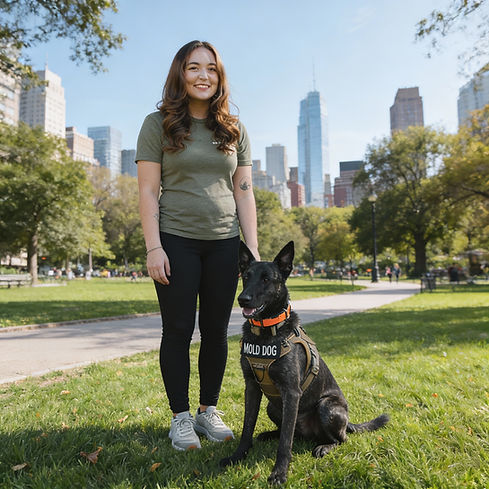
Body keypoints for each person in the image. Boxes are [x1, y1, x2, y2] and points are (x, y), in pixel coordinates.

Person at [136, 40, 259, 452]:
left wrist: (254, 253)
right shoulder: (158, 124)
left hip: (225, 243)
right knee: (177, 330)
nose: (203, 75)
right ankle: (181, 418)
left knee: (216, 332)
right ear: (180, 74)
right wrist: (154, 247)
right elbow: (148, 192)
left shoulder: (234, 129)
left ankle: (208, 411)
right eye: (193, 68)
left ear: (219, 77)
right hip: (175, 241)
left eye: (211, 68)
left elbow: (243, 192)